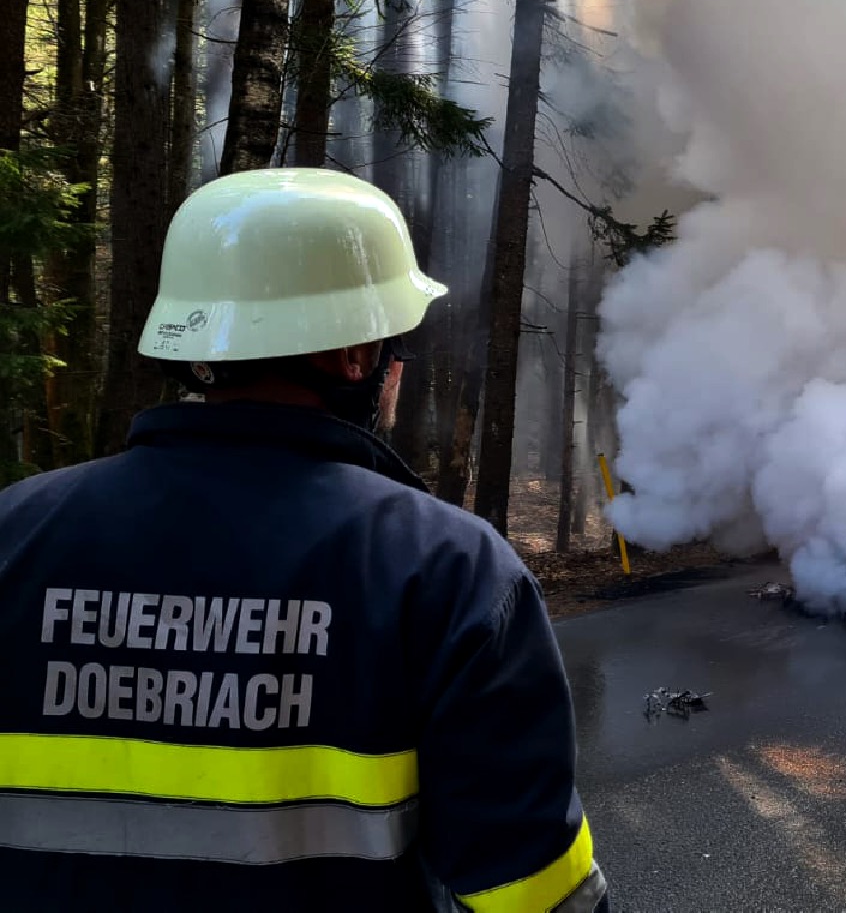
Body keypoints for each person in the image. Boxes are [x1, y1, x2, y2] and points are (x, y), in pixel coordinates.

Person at [0, 169, 609, 912]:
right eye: (394, 344)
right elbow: (534, 894)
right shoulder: (449, 571)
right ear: (356, 356)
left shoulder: (15, 532)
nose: (398, 368)